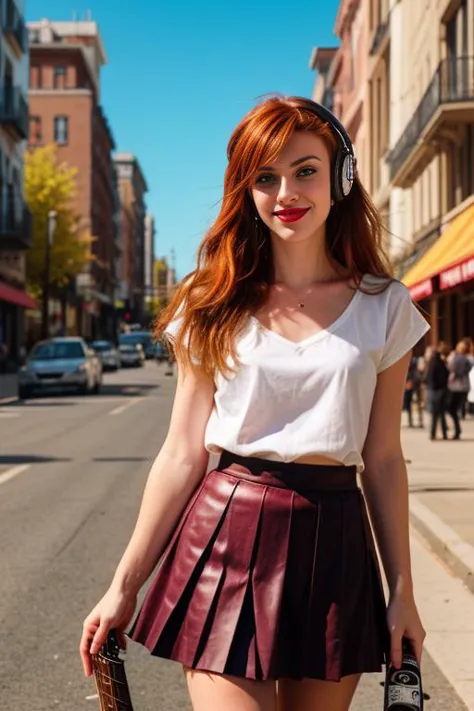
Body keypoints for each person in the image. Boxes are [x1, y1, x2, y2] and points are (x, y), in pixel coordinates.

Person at [80, 96, 429, 711]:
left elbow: (382, 461)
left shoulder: (386, 306)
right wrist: (123, 584)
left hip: (335, 537)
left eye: (305, 170)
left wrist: (403, 591)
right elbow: (183, 452)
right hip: (226, 535)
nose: (286, 192)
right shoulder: (212, 301)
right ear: (245, 189)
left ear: (341, 178)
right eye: (265, 177)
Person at [446, 340, 472, 439]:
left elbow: (449, 367)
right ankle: (457, 429)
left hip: (454, 387)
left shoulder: (453, 357)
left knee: (451, 409)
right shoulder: (468, 359)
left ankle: (456, 429)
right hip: (464, 387)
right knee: (455, 409)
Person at [425, 347, 449, 440]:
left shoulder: (430, 365)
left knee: (434, 415)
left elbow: (427, 377)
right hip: (441, 390)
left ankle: (432, 434)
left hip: (432, 391)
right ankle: (444, 434)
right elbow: (447, 375)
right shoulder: (442, 364)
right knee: (442, 414)